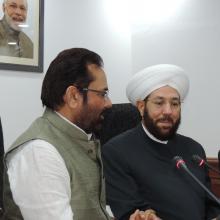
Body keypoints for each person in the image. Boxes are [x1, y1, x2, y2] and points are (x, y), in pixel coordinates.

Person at [3, 48, 113, 220]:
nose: (109, 103)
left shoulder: (81, 139)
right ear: (73, 96)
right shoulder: (39, 153)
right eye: (103, 94)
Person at [102, 64, 220, 220]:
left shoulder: (194, 149)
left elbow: (210, 204)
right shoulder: (116, 151)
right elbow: (129, 210)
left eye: (175, 103)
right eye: (159, 103)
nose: (168, 111)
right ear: (141, 107)